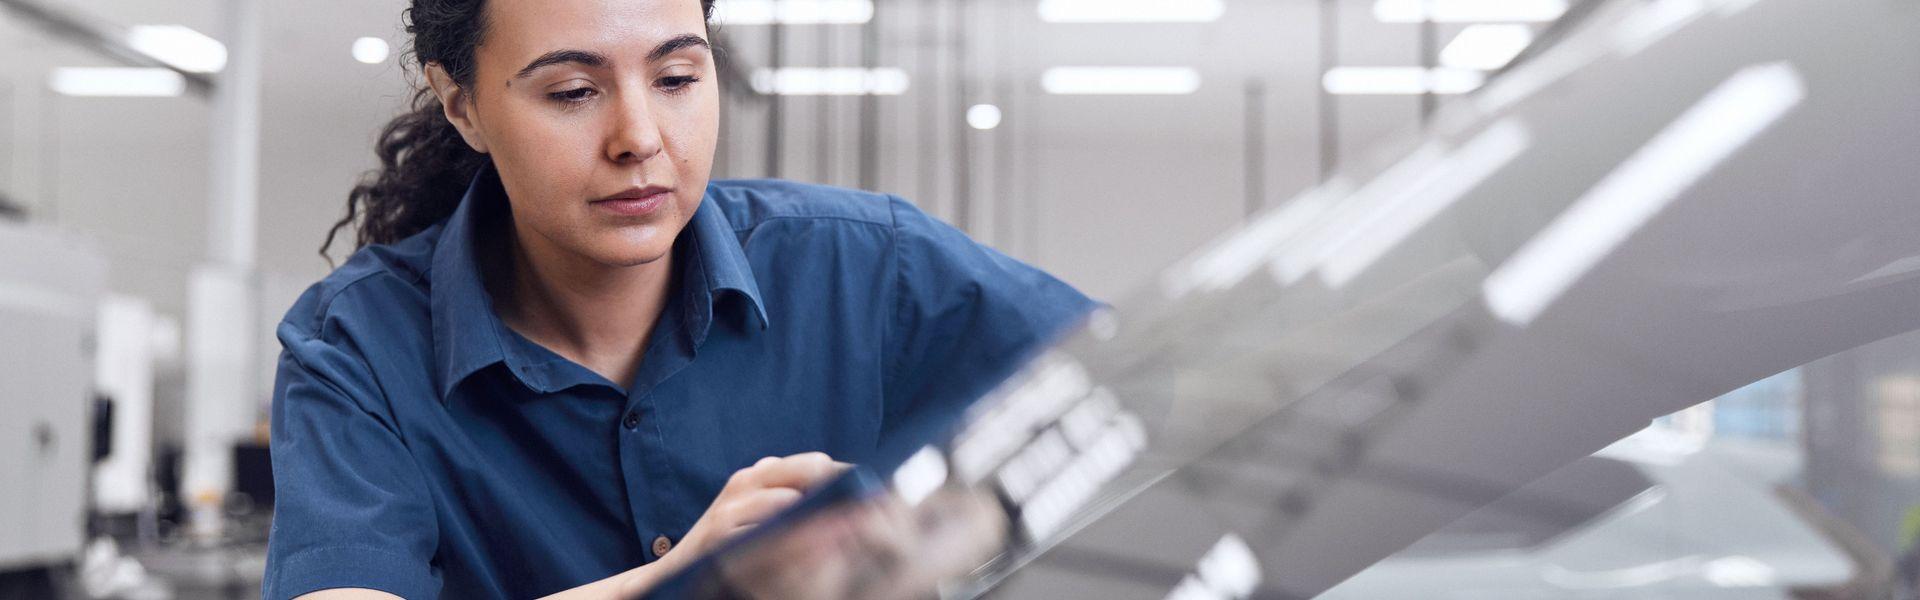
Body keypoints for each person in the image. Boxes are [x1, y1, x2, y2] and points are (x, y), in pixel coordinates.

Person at [262, 0, 1094, 598]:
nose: (641, 137)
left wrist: (949, 530)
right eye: (573, 92)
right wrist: (692, 580)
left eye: (676, 77)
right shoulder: (359, 342)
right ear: (463, 106)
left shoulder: (873, 266)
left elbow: (1133, 412)